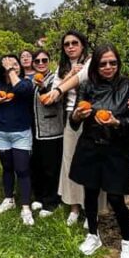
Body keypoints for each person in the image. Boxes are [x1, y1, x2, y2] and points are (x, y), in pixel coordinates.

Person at [69, 43, 129, 258]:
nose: (108, 67)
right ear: (95, 65)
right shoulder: (87, 87)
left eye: (113, 62)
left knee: (115, 197)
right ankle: (93, 235)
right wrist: (77, 116)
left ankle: (127, 240)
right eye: (103, 64)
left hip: (117, 149)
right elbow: (74, 121)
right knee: (90, 194)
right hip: (91, 146)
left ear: (118, 63)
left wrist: (117, 122)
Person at [45, 31, 96, 226]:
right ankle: (74, 206)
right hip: (68, 116)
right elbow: (53, 94)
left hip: (90, 115)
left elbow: (84, 76)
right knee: (70, 162)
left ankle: (90, 208)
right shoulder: (62, 67)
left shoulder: (92, 62)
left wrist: (65, 83)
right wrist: (69, 75)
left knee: (91, 162)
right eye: (66, 44)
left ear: (82, 45)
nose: (70, 47)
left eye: (75, 43)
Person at [0, 55, 35, 225]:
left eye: (15, 64)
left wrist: (11, 70)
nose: (13, 67)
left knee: (22, 169)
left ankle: (25, 207)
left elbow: (20, 90)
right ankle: (8, 198)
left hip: (21, 133)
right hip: (1, 132)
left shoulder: (26, 83)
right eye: (8, 64)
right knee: (7, 168)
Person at [30, 49, 64, 217]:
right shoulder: (32, 81)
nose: (41, 63)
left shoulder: (56, 80)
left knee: (51, 167)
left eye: (44, 60)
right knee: (37, 165)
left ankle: (51, 201)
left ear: (49, 61)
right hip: (36, 130)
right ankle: (39, 196)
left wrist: (43, 88)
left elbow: (51, 101)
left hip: (52, 130)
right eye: (37, 61)